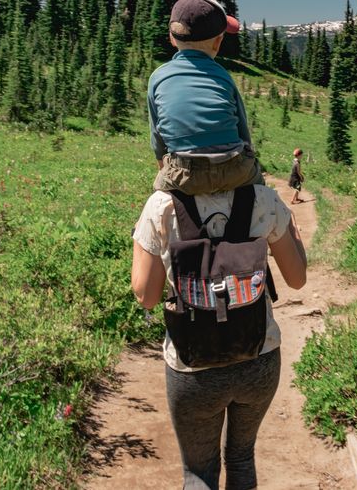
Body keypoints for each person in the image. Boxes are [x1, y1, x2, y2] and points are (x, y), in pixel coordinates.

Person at [131, 183, 307, 489]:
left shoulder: (161, 205)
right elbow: (297, 279)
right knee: (241, 457)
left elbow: (146, 296)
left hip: (193, 368)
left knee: (199, 471)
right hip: (259, 357)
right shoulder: (262, 197)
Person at [148, 0, 263, 196]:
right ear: (217, 43)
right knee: (262, 194)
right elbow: (243, 131)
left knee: (153, 207)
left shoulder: (158, 78)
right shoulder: (223, 76)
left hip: (183, 172)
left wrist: (162, 168)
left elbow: (158, 137)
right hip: (233, 169)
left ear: (172, 38)